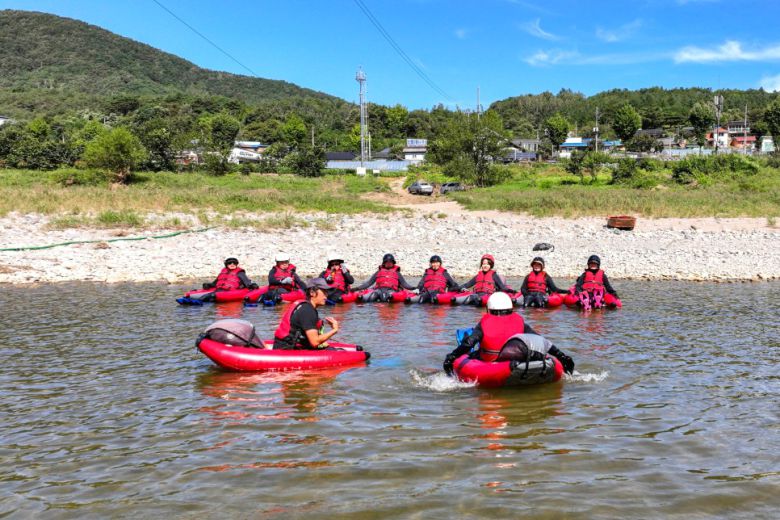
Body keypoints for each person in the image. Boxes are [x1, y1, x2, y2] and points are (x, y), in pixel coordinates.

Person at [443, 292, 575, 375]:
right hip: (518, 359)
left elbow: (468, 343)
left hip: (493, 364)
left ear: (489, 308)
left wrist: (452, 357)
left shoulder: (485, 322)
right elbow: (541, 341)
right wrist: (562, 356)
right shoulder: (519, 320)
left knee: (472, 354)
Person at [273, 278, 340, 350]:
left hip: (284, 346)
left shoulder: (305, 306)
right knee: (336, 351)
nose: (326, 296)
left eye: (327, 292)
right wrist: (334, 330)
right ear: (312, 292)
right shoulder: (307, 310)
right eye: (324, 292)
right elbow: (314, 342)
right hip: (287, 351)